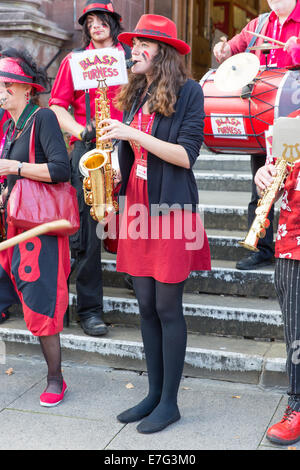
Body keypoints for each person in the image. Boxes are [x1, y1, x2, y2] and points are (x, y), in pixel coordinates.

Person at [98, 14, 211, 434]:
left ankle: (170, 403)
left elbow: (186, 155)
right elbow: (128, 152)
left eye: (142, 44)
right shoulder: (135, 94)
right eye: (133, 44)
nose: (133, 51)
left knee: (167, 306)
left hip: (171, 206)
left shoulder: (190, 93)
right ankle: (152, 394)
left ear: (161, 51)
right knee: (144, 304)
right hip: (137, 205)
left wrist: (132, 134)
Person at [49, 0, 131, 337]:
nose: (95, 26)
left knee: (137, 217)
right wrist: (79, 130)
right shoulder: (74, 61)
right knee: (87, 234)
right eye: (90, 22)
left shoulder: (131, 57)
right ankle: (90, 310)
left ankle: (140, 282)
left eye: (102, 20)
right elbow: (57, 105)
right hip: (88, 148)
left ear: (113, 22)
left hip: (129, 144)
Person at [0, 47, 71, 407]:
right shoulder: (10, 123)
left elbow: (61, 169)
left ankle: (56, 378)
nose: (1, 89)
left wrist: (14, 168)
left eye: (7, 83)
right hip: (13, 228)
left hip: (39, 232)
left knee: (43, 308)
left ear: (27, 88)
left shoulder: (42, 118)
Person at [213, 0, 300, 271]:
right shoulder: (260, 24)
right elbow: (234, 49)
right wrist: (223, 49)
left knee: (292, 186)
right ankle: (262, 247)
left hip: (294, 118)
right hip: (262, 116)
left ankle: (292, 247)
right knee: (260, 185)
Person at [254, 120, 300, 445]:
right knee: (296, 335)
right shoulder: (291, 122)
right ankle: (297, 404)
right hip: (292, 240)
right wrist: (262, 177)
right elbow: (275, 170)